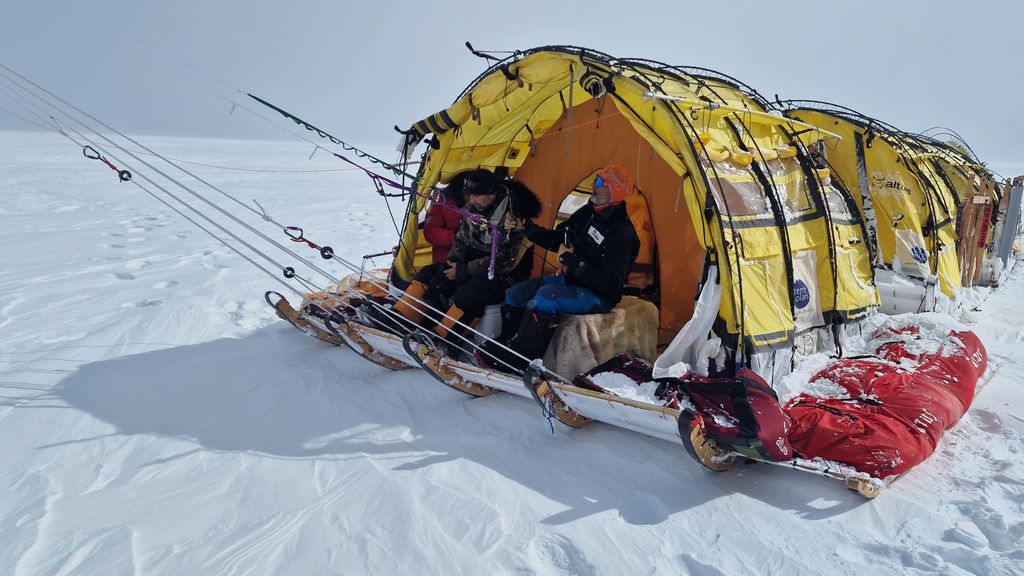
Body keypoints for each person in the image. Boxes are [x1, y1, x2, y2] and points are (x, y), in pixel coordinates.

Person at [480, 165, 640, 372]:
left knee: (545, 297)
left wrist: (574, 263)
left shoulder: (623, 234)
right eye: (596, 180)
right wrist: (526, 228)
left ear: (614, 191)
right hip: (571, 281)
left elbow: (611, 282)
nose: (593, 185)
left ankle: (522, 359)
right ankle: (508, 343)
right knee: (515, 293)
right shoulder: (588, 212)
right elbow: (560, 237)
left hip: (599, 295)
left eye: (600, 182)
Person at [368, 174, 543, 351]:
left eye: (476, 195)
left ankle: (443, 339)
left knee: (472, 291)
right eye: (469, 195)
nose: (471, 199)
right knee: (430, 273)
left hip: (507, 275)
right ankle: (400, 319)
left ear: (491, 194)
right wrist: (451, 264)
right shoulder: (474, 209)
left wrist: (463, 270)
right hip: (473, 266)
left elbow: (504, 263)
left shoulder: (516, 219)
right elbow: (461, 241)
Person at [422, 170, 474, 264]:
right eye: (470, 193)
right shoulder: (442, 204)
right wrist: (455, 238)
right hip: (445, 261)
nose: (473, 197)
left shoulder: (481, 205)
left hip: (473, 262)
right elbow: (431, 233)